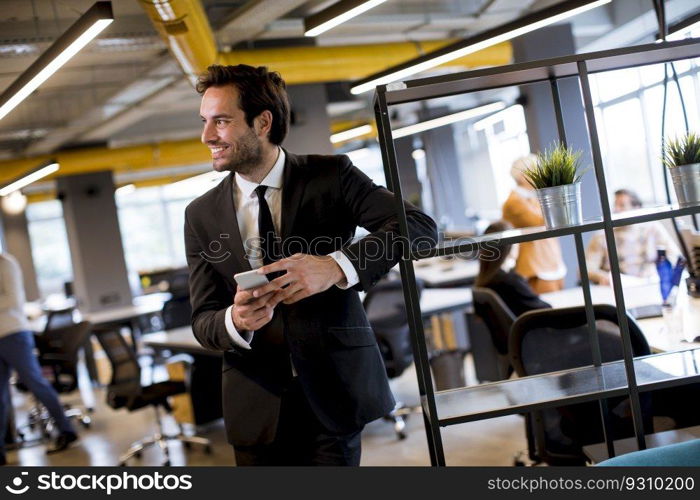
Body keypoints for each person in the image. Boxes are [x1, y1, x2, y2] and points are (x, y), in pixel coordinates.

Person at [184, 64, 437, 466]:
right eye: (205, 121)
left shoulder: (332, 176)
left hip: (334, 393)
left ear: (262, 122)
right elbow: (203, 321)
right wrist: (236, 320)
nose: (206, 136)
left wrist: (335, 267)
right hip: (255, 406)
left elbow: (420, 228)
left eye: (221, 121)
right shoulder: (200, 214)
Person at [0, 252, 78, 465]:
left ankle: (66, 429)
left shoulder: (6, 264)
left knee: (35, 382)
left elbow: (13, 299)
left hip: (14, 334)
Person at [586, 189, 680, 285]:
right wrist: (603, 277)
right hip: (617, 286)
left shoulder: (653, 228)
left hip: (651, 282)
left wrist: (660, 271)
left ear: (636, 208)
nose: (616, 209)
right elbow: (588, 268)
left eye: (622, 205)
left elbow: (674, 255)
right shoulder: (601, 236)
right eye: (615, 205)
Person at [502, 155, 567, 293]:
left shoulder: (533, 198)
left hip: (552, 264)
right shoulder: (514, 202)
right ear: (521, 176)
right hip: (536, 268)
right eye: (536, 171)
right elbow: (544, 220)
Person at [475, 221, 552, 319]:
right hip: (537, 332)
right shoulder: (510, 281)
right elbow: (546, 310)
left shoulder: (486, 281)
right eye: (517, 242)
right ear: (510, 247)